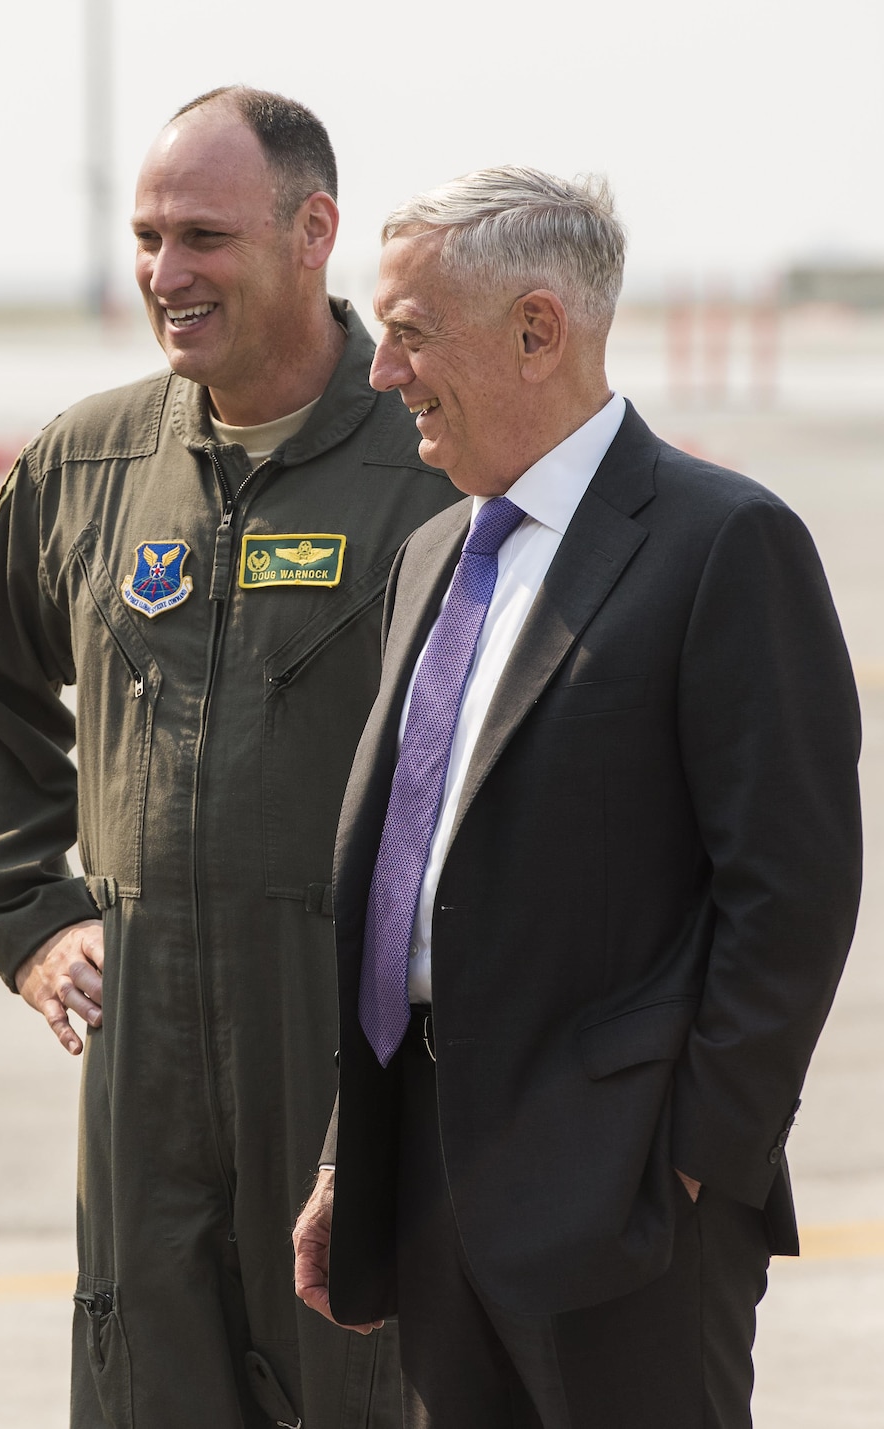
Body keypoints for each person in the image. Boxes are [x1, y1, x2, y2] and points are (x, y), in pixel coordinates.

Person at [292, 168, 862, 1428]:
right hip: (436, 1172)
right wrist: (355, 1145)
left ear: (536, 330)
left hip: (625, 1192)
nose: (382, 371)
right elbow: (407, 882)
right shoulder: (435, 555)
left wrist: (697, 1155)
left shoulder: (721, 543)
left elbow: (793, 886)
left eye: (408, 330)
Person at [0, 89, 457, 1428]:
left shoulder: (437, 461)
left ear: (311, 232)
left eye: (204, 237)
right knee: (145, 1374)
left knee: (371, 1377)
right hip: (146, 1046)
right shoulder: (87, 463)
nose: (167, 274)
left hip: (360, 1041)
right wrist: (34, 919)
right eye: (149, 235)